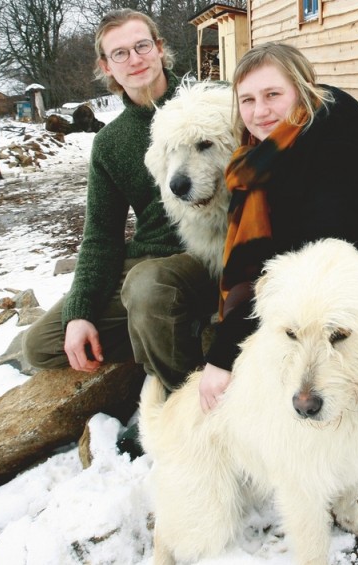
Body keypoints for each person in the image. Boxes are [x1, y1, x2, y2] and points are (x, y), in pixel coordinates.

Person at [197, 42, 358, 411]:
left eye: (273, 94)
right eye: (248, 100)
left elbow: (292, 268)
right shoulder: (260, 158)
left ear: (301, 91)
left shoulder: (333, 154)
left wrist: (222, 358)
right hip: (316, 300)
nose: (260, 111)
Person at [23, 10, 217, 399]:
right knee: (42, 345)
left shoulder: (211, 102)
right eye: (120, 53)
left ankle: (180, 394)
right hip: (151, 259)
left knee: (148, 289)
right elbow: (101, 237)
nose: (135, 59)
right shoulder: (110, 143)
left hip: (212, 252)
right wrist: (79, 312)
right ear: (106, 66)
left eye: (142, 45)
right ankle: (170, 332)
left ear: (160, 49)